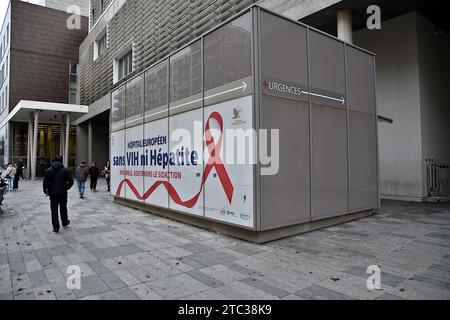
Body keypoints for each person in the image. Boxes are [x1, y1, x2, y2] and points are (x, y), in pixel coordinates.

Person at [43, 156, 74, 233]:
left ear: (54, 161)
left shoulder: (49, 170)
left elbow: (45, 183)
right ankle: (64, 222)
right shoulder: (65, 170)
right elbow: (71, 181)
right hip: (63, 193)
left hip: (53, 193)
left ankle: (56, 227)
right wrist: (66, 187)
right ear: (61, 161)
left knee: (54, 210)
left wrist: (46, 191)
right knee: (63, 208)